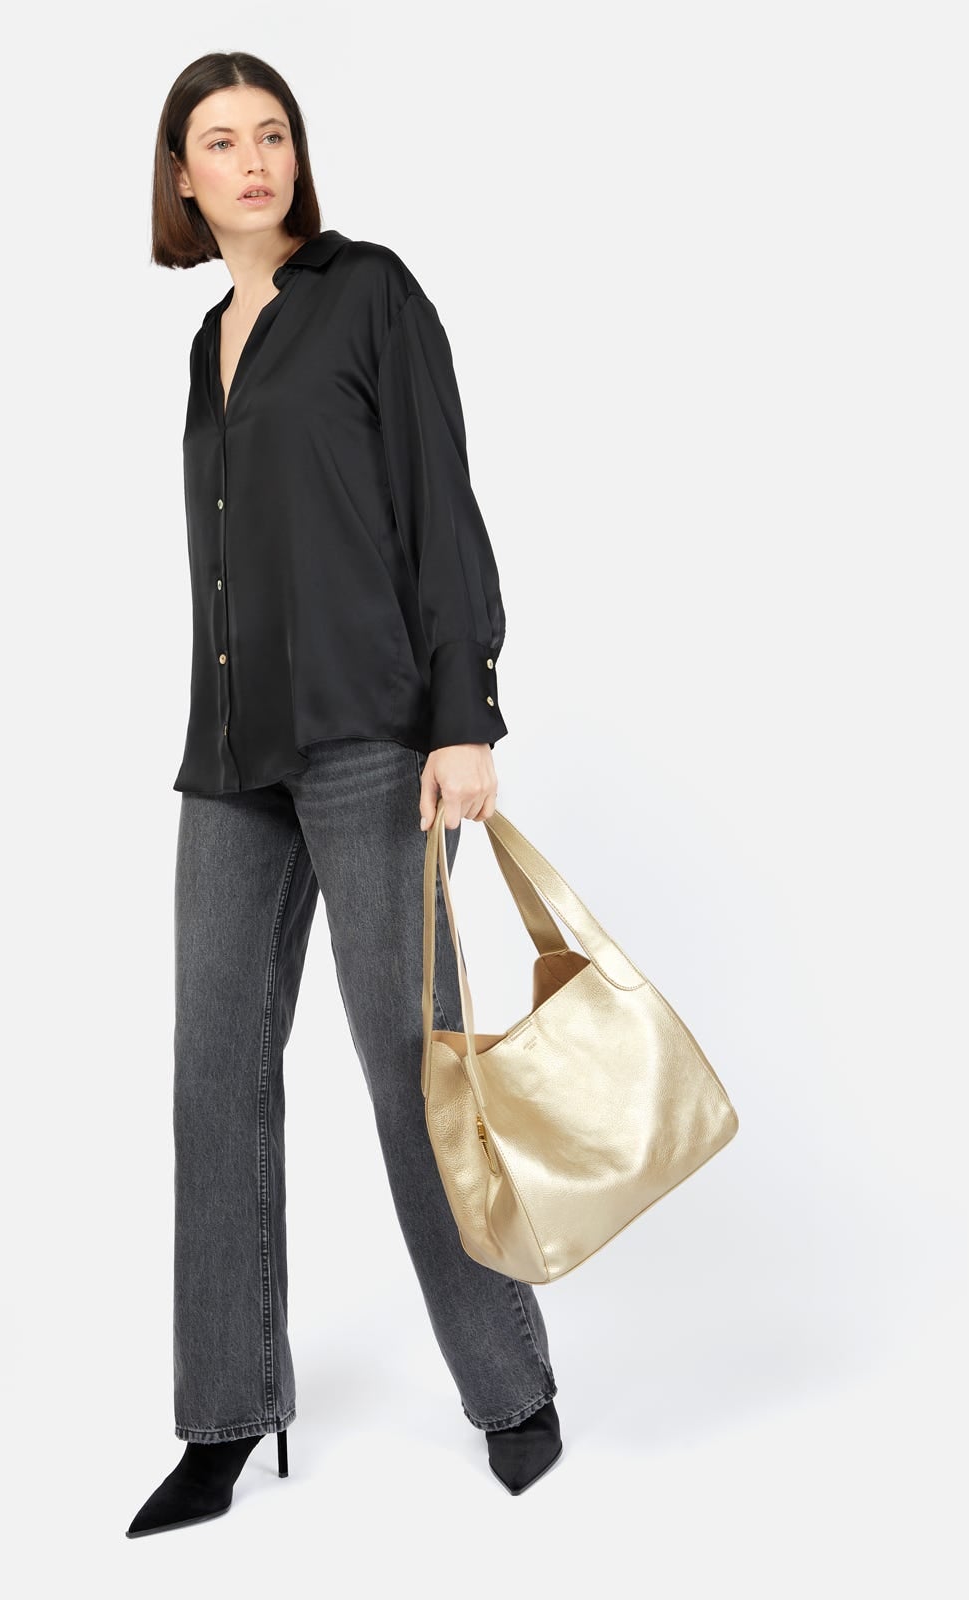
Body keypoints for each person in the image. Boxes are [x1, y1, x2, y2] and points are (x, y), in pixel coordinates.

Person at [127, 53, 563, 1539]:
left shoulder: (369, 292)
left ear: (297, 156)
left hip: (373, 736)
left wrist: (464, 713)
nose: (253, 160)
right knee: (212, 1075)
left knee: (410, 1068)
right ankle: (225, 1416)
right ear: (181, 178)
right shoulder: (207, 342)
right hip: (229, 754)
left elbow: (440, 501)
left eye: (273, 134)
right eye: (220, 142)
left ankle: (511, 1387)